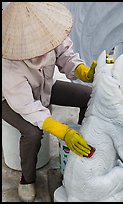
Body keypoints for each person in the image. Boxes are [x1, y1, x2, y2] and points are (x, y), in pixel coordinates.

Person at [2, 2, 96, 202]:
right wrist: (63, 131)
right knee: (32, 132)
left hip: (43, 87)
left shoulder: (48, 33)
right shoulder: (8, 64)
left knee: (88, 96)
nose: (43, 47)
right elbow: (27, 107)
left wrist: (83, 72)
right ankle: (27, 179)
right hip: (9, 99)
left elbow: (66, 55)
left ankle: (84, 144)